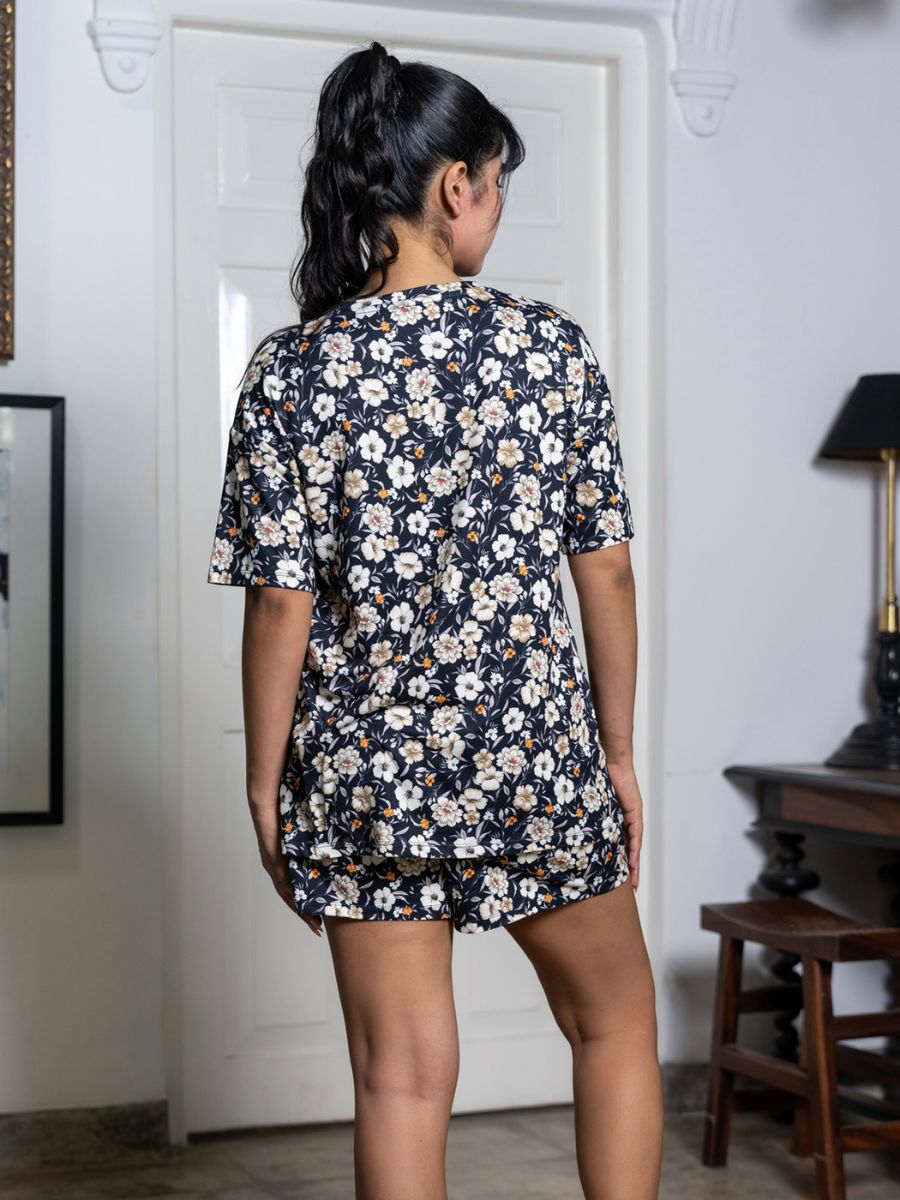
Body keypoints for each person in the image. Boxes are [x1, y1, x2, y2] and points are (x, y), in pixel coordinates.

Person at [206, 38, 663, 1200]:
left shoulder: (292, 370)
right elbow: (602, 576)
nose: (497, 208)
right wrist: (615, 755)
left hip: (364, 774)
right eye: (498, 182)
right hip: (532, 762)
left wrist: (269, 783)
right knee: (613, 1027)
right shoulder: (549, 348)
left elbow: (279, 598)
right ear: (458, 185)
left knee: (402, 1080)